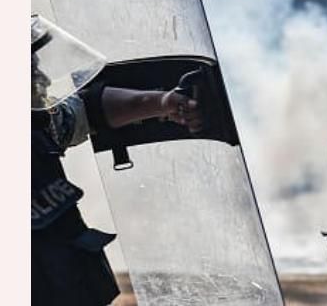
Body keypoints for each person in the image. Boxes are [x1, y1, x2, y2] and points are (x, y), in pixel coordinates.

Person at [31, 15, 202, 306]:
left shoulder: (34, 126)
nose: (43, 80)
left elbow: (86, 110)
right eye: (31, 71)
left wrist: (161, 103)